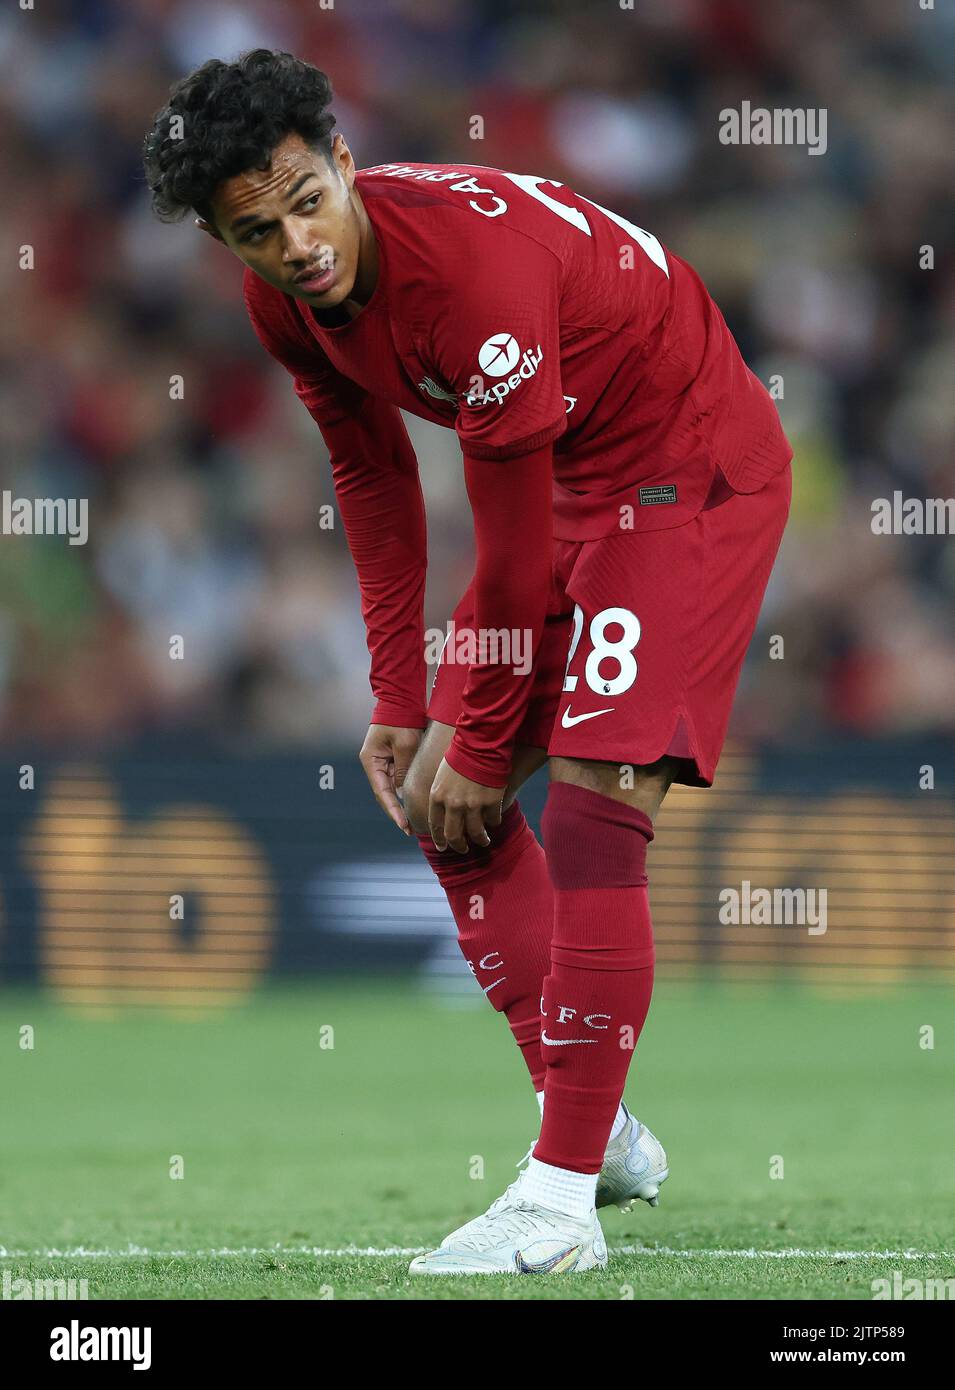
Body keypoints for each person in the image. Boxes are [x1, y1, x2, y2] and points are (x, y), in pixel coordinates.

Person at [144, 48, 792, 1276]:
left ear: (344, 161)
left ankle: (555, 1201)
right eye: (255, 231)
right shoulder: (283, 299)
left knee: (597, 800)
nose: (296, 244)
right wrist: (401, 696)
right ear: (224, 241)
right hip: (574, 484)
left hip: (682, 467)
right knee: (446, 808)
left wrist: (479, 730)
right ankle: (595, 1136)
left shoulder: (472, 282)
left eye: (306, 200)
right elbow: (373, 477)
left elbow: (505, 550)